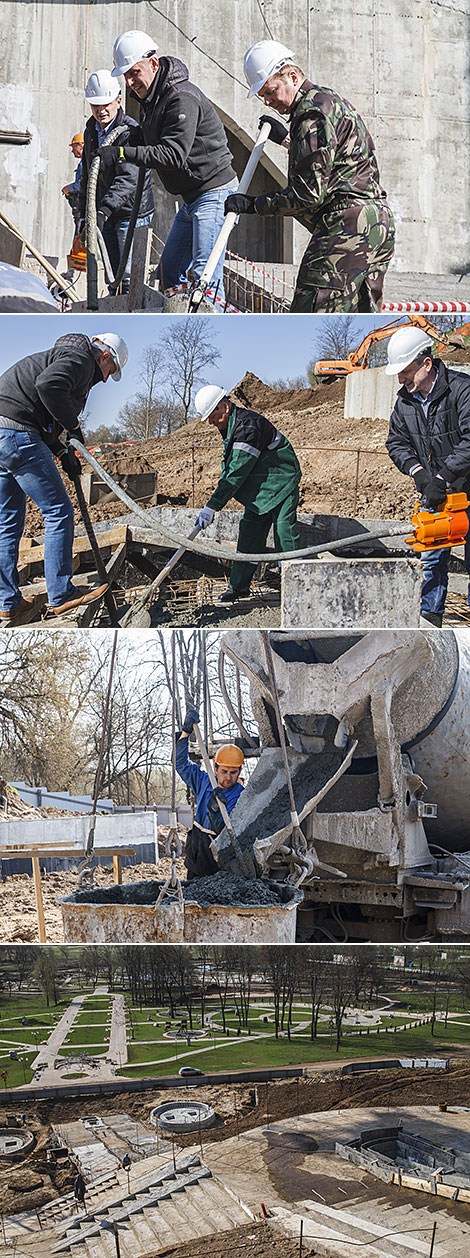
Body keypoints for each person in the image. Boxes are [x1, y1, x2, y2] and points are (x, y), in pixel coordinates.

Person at [225, 40, 395, 313]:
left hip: (347, 228)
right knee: (360, 316)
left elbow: (308, 194)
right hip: (377, 225)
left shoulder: (309, 113)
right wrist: (287, 141)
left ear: (292, 76)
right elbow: (335, 158)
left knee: (310, 312)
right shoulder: (330, 101)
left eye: (270, 91)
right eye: (262, 97)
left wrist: (253, 205)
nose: (268, 102)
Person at [98, 30, 238, 304]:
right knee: (171, 271)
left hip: (214, 193)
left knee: (204, 277)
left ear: (154, 63)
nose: (130, 81)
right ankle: (182, 315)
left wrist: (123, 153)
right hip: (192, 198)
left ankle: (210, 318)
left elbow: (173, 154)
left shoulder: (180, 97)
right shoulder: (152, 99)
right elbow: (155, 137)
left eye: (134, 72)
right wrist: (132, 140)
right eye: (125, 75)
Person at [0, 331, 128, 622]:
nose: (106, 379)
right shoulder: (82, 359)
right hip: (19, 434)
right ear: (104, 356)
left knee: (7, 523)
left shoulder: (59, 356)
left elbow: (38, 407)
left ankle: (7, 600)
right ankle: (61, 594)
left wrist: (61, 451)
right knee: (59, 512)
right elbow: (49, 387)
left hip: (3, 433)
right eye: (110, 371)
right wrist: (74, 429)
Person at [385, 325, 470, 626]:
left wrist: (443, 477)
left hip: (464, 488)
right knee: (432, 558)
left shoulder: (462, 390)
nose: (401, 378)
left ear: (426, 364)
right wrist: (419, 473)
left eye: (406, 371)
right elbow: (395, 442)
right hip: (435, 491)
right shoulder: (404, 403)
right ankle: (430, 620)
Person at [194, 384, 301, 604]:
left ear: (224, 407)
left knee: (284, 532)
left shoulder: (247, 427)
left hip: (281, 479)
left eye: (212, 417)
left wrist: (212, 506)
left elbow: (235, 473)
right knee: (249, 534)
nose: (211, 422)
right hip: (261, 488)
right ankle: (239, 587)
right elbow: (233, 468)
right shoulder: (231, 425)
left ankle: (295, 588)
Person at [78, 70, 154, 295]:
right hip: (107, 213)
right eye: (95, 105)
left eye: (106, 105)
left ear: (119, 100)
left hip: (131, 214)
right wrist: (84, 216)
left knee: (128, 277)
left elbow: (128, 179)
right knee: (111, 276)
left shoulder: (129, 132)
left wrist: (102, 211)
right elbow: (87, 176)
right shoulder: (91, 130)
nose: (101, 111)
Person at [175, 707, 244, 879]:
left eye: (233, 772)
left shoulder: (241, 796)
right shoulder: (204, 781)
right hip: (197, 849)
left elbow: (227, 830)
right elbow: (181, 764)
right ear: (215, 768)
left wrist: (215, 813)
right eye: (224, 771)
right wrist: (185, 733)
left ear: (240, 771)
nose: (228, 777)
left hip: (217, 856)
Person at [61, 133, 84, 234]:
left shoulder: (88, 163)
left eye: (74, 147)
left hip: (83, 209)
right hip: (79, 208)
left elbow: (84, 183)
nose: (72, 150)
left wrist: (69, 188)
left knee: (79, 238)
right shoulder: (83, 163)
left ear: (81, 146)